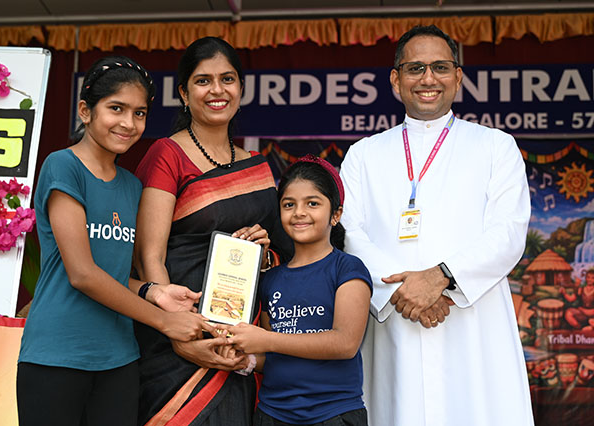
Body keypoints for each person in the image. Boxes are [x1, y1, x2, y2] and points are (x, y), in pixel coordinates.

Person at [339, 25, 534, 426]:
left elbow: (508, 232)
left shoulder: (496, 146)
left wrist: (442, 277)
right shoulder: (363, 154)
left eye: (440, 67)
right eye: (415, 68)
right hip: (394, 319)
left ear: (458, 77)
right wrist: (403, 290)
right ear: (396, 80)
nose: (428, 78)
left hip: (473, 323)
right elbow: (350, 234)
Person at [17, 56, 214, 426]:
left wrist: (154, 291)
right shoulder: (63, 166)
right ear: (85, 111)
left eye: (139, 113)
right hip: (56, 356)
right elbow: (82, 274)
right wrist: (163, 321)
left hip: (119, 359)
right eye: (116, 108)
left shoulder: (132, 185)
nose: (128, 123)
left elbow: (113, 273)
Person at [133, 37, 293, 425]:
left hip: (240, 339)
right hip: (176, 344)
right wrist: (181, 337)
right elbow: (148, 256)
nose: (217, 90)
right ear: (183, 93)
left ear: (241, 88)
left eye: (228, 79)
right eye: (203, 81)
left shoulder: (258, 166)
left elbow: (285, 255)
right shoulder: (167, 155)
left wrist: (265, 252)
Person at [227, 156, 372, 426]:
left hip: (333, 414)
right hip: (272, 414)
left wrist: (266, 340)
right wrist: (247, 359)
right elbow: (273, 354)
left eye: (312, 203)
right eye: (289, 204)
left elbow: (345, 343)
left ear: (336, 215)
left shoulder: (348, 268)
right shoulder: (271, 279)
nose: (299, 212)